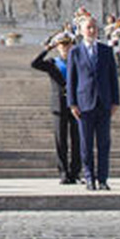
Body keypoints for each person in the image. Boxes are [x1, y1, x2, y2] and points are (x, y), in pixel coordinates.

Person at [66, 14, 120, 191]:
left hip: (104, 103)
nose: (92, 30)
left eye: (94, 27)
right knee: (85, 144)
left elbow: (113, 77)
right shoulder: (75, 52)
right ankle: (89, 177)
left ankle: (103, 178)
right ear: (81, 31)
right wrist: (72, 103)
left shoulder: (106, 50)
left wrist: (115, 101)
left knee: (104, 143)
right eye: (88, 28)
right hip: (84, 103)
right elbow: (71, 79)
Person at [32, 35, 81, 184]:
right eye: (62, 45)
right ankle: (63, 172)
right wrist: (47, 48)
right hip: (58, 105)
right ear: (57, 47)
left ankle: (75, 172)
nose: (65, 48)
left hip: (77, 105)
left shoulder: (78, 62)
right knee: (61, 142)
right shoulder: (53, 63)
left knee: (76, 141)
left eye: (67, 45)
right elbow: (35, 63)